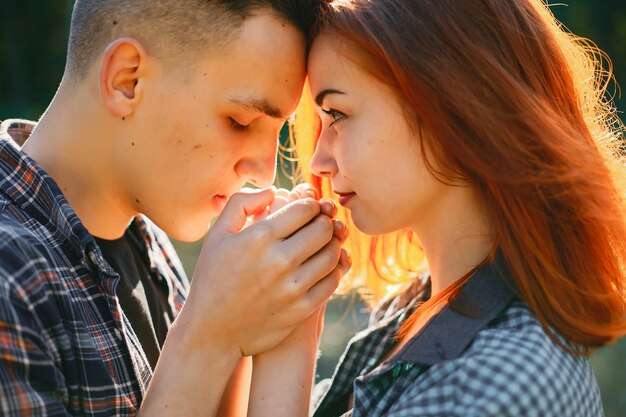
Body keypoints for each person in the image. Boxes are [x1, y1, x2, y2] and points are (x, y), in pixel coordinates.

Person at [243, 0, 626, 416]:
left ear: (451, 107)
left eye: (337, 114)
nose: (319, 161)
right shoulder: (425, 305)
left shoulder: (488, 389)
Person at [0, 0, 351, 416]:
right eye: (239, 121)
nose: (265, 171)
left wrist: (262, 325)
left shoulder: (149, 244)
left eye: (279, 131)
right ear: (126, 80)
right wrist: (208, 337)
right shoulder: (10, 280)